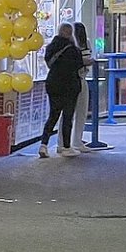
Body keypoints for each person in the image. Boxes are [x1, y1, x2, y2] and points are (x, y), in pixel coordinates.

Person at [37, 24, 85, 158]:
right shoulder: (73, 49)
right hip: (70, 85)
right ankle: (66, 147)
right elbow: (79, 65)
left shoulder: (51, 47)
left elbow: (48, 62)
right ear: (70, 33)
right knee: (67, 116)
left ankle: (43, 145)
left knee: (53, 115)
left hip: (53, 83)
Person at [71, 22, 94, 152]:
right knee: (77, 112)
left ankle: (72, 141)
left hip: (79, 78)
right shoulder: (82, 44)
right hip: (78, 78)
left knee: (75, 112)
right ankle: (74, 141)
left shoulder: (83, 43)